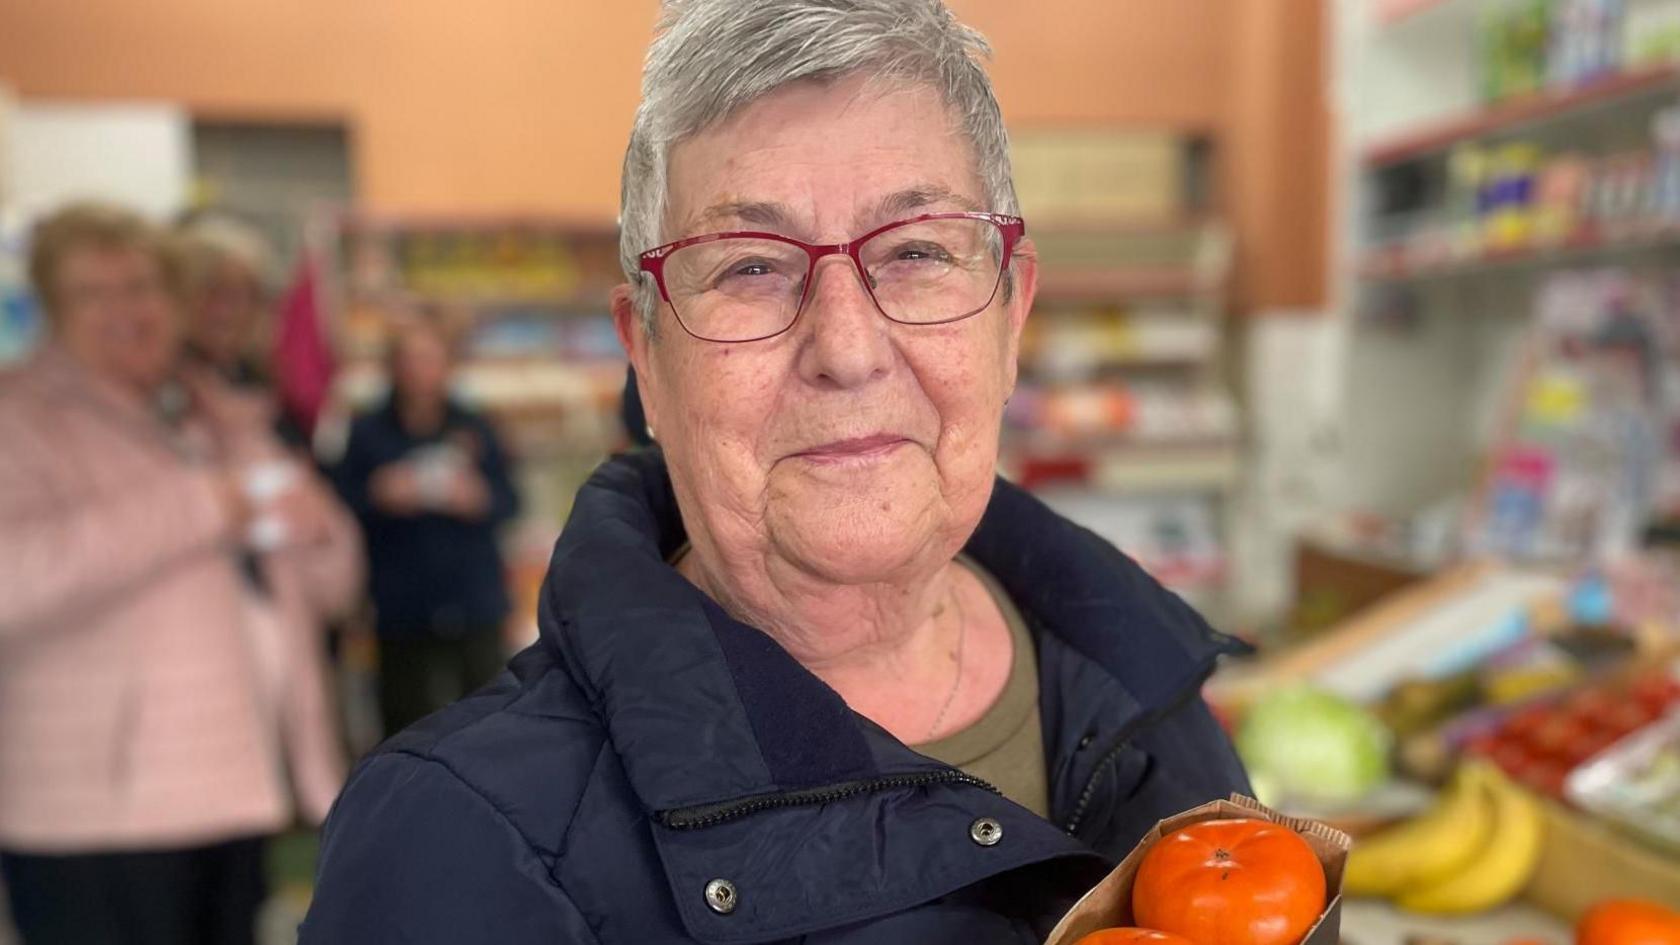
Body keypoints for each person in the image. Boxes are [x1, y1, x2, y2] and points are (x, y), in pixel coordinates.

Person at [301, 3, 1250, 942]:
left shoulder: (1153, 690)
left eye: (917, 249)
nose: (846, 347)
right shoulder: (457, 843)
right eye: (749, 266)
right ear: (648, 358)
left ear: (1012, 317)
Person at [0, 202, 361, 945]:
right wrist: (198, 506)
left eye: (141, 286)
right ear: (52, 308)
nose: (125, 310)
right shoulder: (19, 418)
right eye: (92, 293)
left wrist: (320, 532)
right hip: (98, 814)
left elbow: (336, 586)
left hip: (241, 782)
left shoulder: (220, 415)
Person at [330, 314, 520, 737]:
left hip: (474, 606)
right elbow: (337, 508)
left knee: (488, 730)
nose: (419, 370)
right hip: (401, 610)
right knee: (406, 730)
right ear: (392, 366)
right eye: (409, 359)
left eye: (430, 358)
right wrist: (377, 494)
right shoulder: (366, 432)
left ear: (448, 364)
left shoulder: (476, 425)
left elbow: (510, 501)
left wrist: (478, 497)